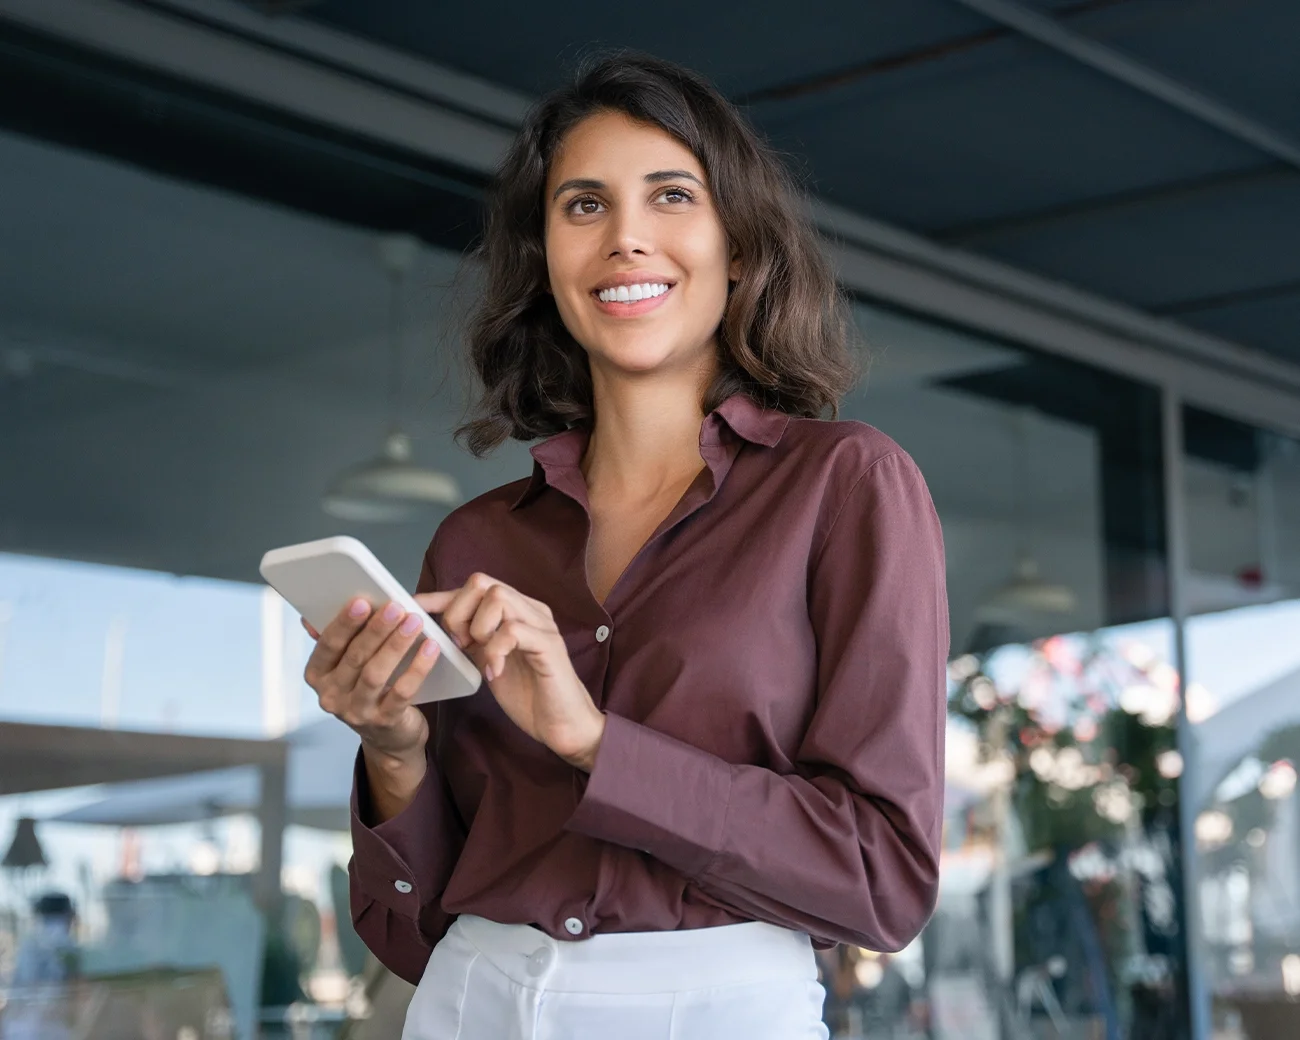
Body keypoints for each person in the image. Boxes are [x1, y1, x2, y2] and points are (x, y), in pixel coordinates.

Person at [302, 51, 949, 1040]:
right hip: (471, 997)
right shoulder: (476, 539)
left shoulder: (844, 484)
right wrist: (393, 747)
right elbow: (409, 923)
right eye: (584, 206)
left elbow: (882, 876)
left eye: (671, 195)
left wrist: (595, 740)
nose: (626, 238)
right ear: (546, 256)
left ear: (737, 246)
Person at [2, 892, 80, 1040]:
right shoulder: (65, 943)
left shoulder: (28, 941)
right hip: (47, 1025)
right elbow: (72, 981)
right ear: (66, 914)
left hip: (19, 1025)